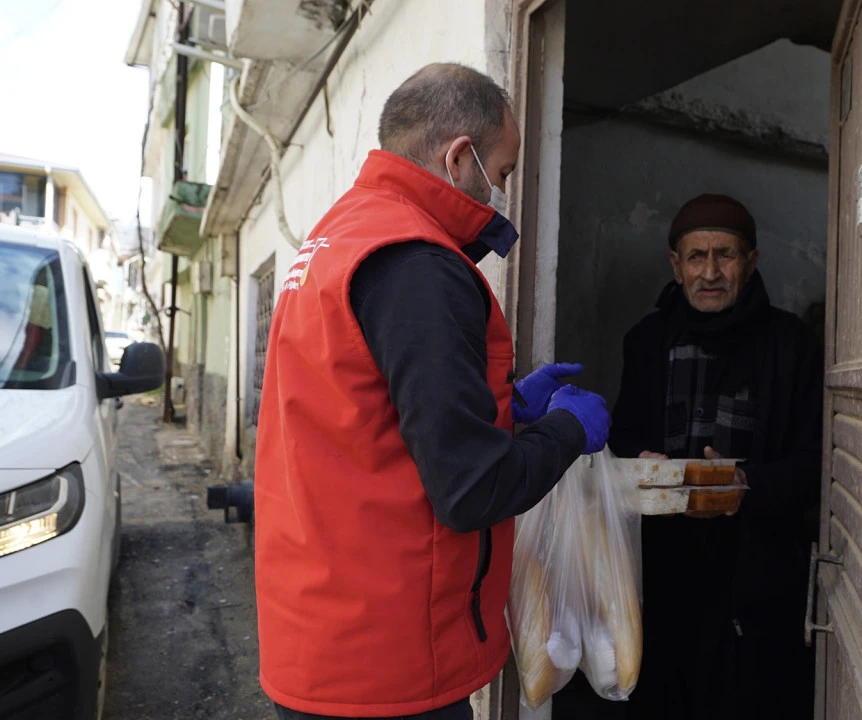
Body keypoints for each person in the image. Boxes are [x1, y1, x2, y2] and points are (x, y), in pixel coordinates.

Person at [253, 63, 611, 720]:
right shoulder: (418, 263)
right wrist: (565, 431)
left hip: (322, 629)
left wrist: (500, 399)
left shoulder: (341, 236)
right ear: (458, 157)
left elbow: (364, 407)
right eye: (500, 174)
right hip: (387, 661)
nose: (500, 193)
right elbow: (472, 490)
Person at [553, 194, 823, 719]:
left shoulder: (792, 347)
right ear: (675, 267)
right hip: (664, 572)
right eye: (696, 257)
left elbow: (816, 466)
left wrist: (748, 484)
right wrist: (641, 459)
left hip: (755, 578)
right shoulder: (647, 342)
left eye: (725, 254)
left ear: (751, 261)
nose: (711, 271)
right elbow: (623, 439)